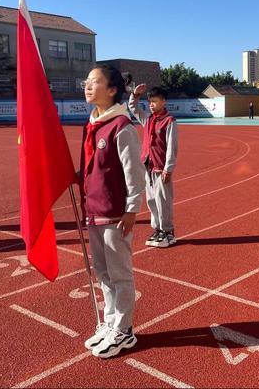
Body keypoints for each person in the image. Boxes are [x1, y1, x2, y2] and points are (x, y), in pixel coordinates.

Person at [80, 64, 145, 358]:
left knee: (120, 275)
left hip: (115, 215)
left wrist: (132, 209)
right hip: (94, 211)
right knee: (103, 274)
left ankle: (124, 330)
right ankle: (110, 323)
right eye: (87, 81)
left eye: (95, 82)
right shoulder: (92, 124)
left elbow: (134, 173)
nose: (88, 86)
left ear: (112, 90)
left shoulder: (121, 127)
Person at [129, 84, 179, 248]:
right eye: (150, 102)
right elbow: (133, 108)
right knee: (151, 200)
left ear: (163, 101)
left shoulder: (169, 121)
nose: (151, 105)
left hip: (161, 168)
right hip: (147, 167)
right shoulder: (148, 119)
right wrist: (135, 95)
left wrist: (168, 168)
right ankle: (157, 229)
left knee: (162, 200)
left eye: (155, 101)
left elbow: (172, 146)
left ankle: (168, 231)